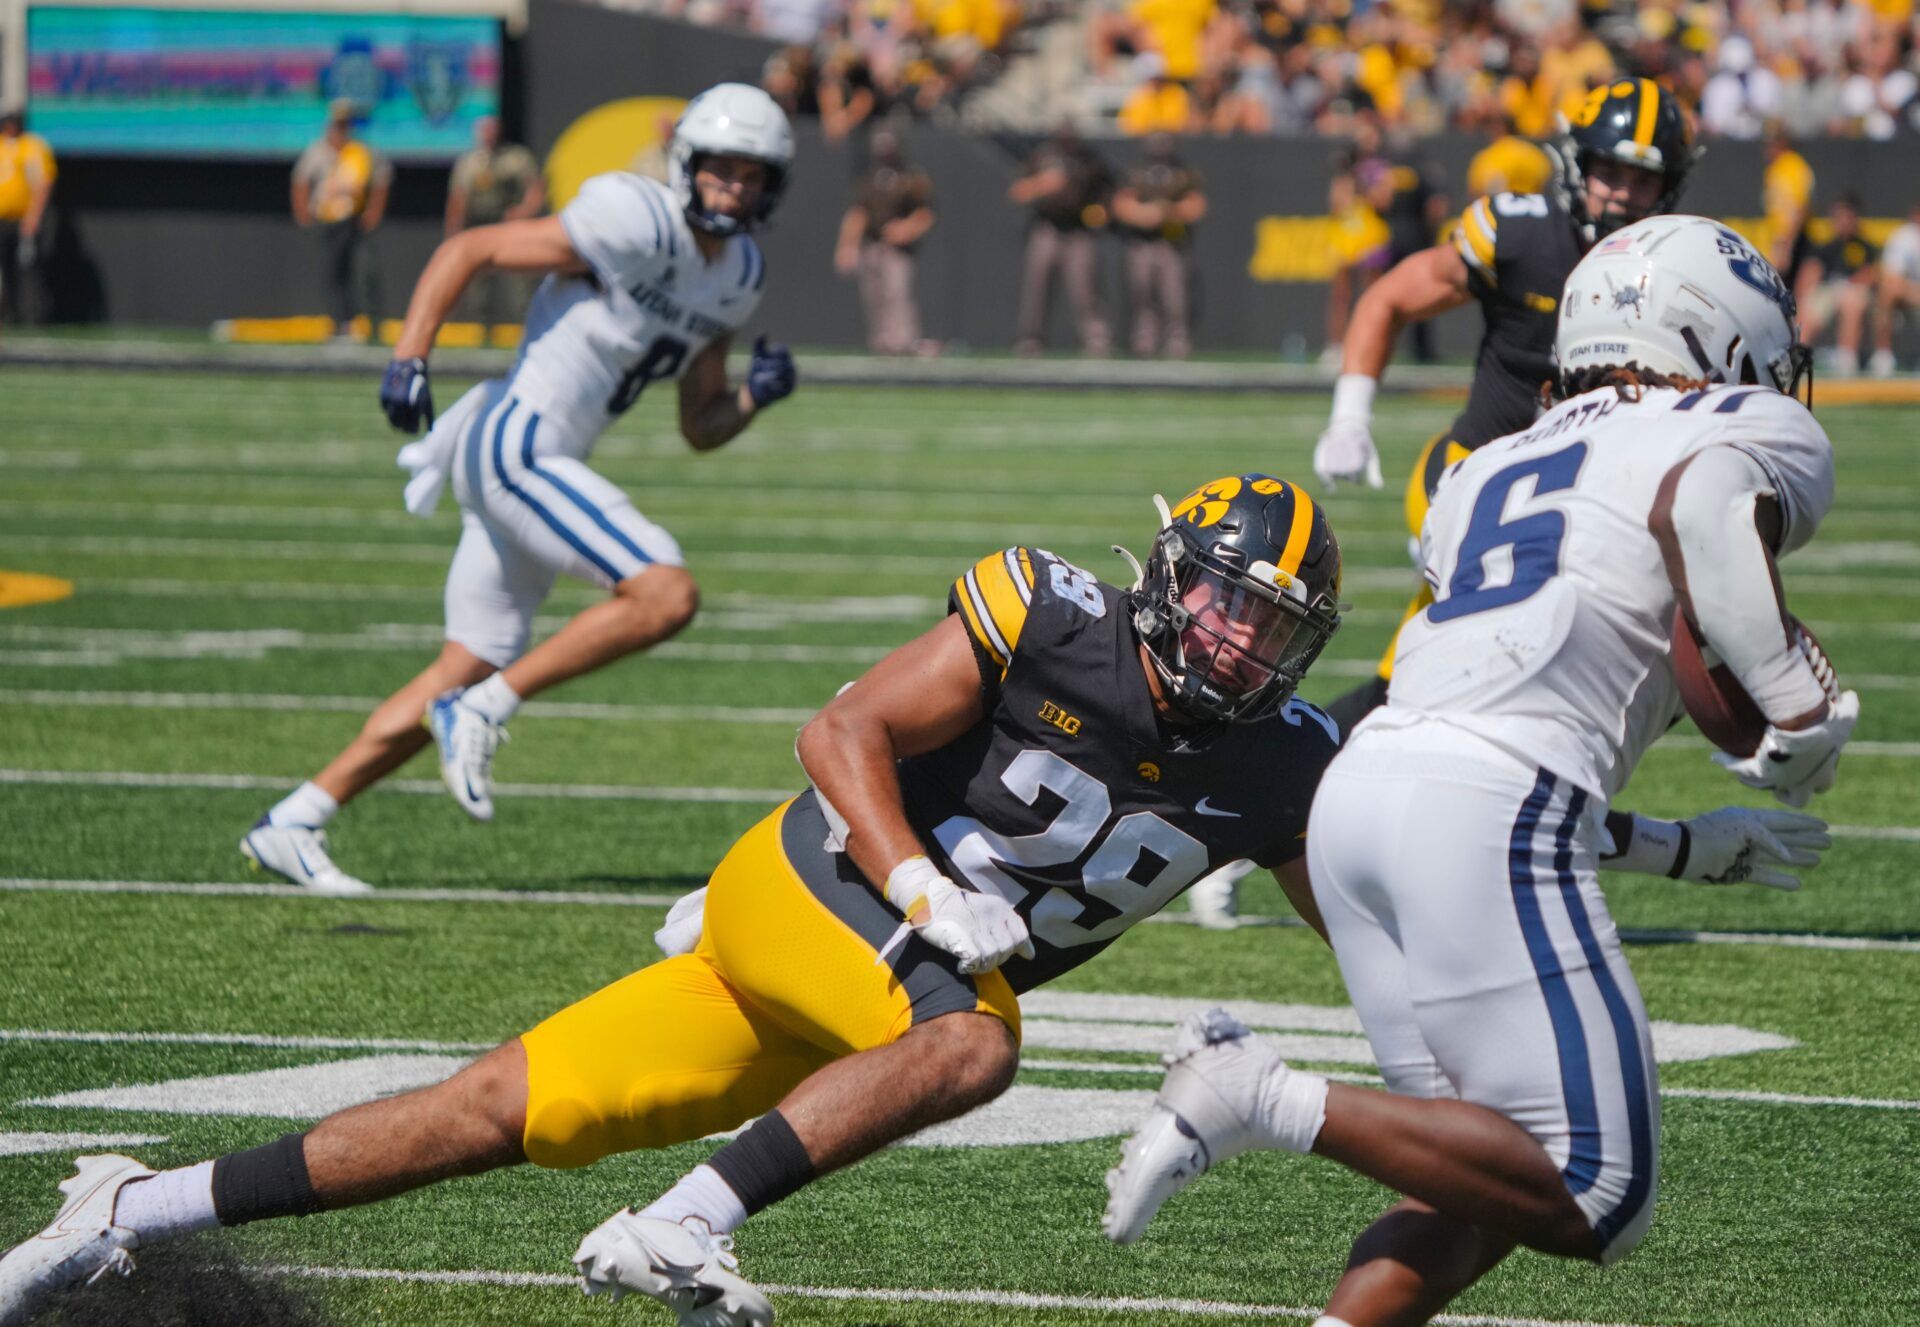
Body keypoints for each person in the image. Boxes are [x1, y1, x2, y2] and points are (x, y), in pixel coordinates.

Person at [0, 475, 1352, 1327]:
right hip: (820, 888)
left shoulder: (1286, 756)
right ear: (1171, 575)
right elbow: (839, 735)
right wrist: (920, 882)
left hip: (862, 997)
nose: (1238, 640)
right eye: (1228, 603)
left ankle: (128, 1206)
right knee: (979, 1039)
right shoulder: (1054, 616)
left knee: (497, 1113)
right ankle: (684, 1220)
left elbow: (1354, 920)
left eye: (1272, 628)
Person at [1104, 215, 1856, 1326]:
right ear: (1714, 324)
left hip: (1367, 794)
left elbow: (1494, 704)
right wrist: (1795, 700)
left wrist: (1682, 849)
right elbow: (1698, 507)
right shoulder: (1743, 420)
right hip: (1494, 804)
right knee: (1600, 1185)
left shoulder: (1491, 464)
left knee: (1480, 1166)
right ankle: (1255, 1091)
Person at [234, 83, 800, 896]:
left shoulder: (739, 273)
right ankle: (488, 707)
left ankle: (297, 817)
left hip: (542, 457)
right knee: (666, 591)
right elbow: (471, 250)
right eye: (722, 167)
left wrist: (752, 397)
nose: (733, 186)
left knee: (461, 666)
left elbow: (698, 424)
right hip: (516, 439)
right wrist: (411, 354)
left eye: (752, 174)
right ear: (689, 163)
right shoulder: (635, 218)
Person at [1311, 77, 1698, 736]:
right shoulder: (1521, 236)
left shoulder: (1676, 268)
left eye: (1642, 179)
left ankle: (1311, 771)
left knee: (1418, 685)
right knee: (1477, 679)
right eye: (1609, 170)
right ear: (1578, 163)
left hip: (1587, 500)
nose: (1622, 193)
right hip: (1471, 481)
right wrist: (1350, 416)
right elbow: (1389, 298)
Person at [291, 100, 393, 340]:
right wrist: (303, 210)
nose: (340, 129)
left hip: (353, 219)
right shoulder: (318, 150)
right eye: (337, 124)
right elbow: (300, 180)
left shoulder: (360, 150)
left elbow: (382, 178)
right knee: (333, 272)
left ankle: (367, 325)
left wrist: (374, 212)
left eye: (344, 124)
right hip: (326, 219)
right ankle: (339, 322)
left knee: (361, 271)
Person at [1010, 126, 1114, 356]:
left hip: (1079, 229)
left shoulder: (1087, 158)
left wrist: (1099, 212)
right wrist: (1043, 184)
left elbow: (1106, 192)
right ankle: (1031, 339)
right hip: (1047, 227)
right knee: (1037, 286)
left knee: (1085, 288)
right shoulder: (1041, 156)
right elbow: (1018, 191)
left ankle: (1096, 340)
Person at [834, 125, 935, 356]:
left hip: (898, 249)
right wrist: (848, 245)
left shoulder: (912, 177)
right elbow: (858, 213)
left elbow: (925, 213)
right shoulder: (869, 178)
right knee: (874, 296)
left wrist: (907, 229)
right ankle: (882, 344)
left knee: (897, 293)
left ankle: (904, 342)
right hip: (872, 244)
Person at [445, 116, 547, 336]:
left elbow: (535, 188)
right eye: (484, 131)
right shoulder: (469, 162)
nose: (489, 136)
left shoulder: (515, 158)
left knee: (518, 278)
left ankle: (527, 329)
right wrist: (454, 232)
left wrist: (524, 212)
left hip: (507, 224)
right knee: (479, 281)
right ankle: (483, 329)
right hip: (480, 224)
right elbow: (458, 199)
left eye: (492, 130)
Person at [1113, 133, 1205, 359]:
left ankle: (1177, 342)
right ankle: (1145, 342)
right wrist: (1145, 214)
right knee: (1142, 294)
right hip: (1142, 242)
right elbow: (1122, 204)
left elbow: (1196, 206)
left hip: (1172, 242)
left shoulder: (1183, 173)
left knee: (1175, 297)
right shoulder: (1136, 172)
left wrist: (1169, 212)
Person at [1794, 193, 1878, 378]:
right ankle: (1797, 359)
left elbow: (1871, 274)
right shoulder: (1825, 247)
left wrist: (1849, 286)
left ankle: (1846, 360)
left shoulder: (1865, 247)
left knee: (1852, 300)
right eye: (1838, 216)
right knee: (1809, 306)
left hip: (1854, 291)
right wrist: (1804, 296)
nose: (1843, 221)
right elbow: (1810, 274)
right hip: (1828, 291)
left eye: (1847, 216)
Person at [0, 107, 56, 329]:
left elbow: (43, 183)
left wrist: (33, 217)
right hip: (1, 219)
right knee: (6, 269)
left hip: (23, 220)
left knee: (28, 268)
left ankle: (32, 317)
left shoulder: (31, 147)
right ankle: (10, 315)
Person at [1869, 197, 1920, 377]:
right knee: (1888, 291)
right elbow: (1892, 280)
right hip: (1909, 298)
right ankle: (1883, 355)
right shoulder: (1904, 237)